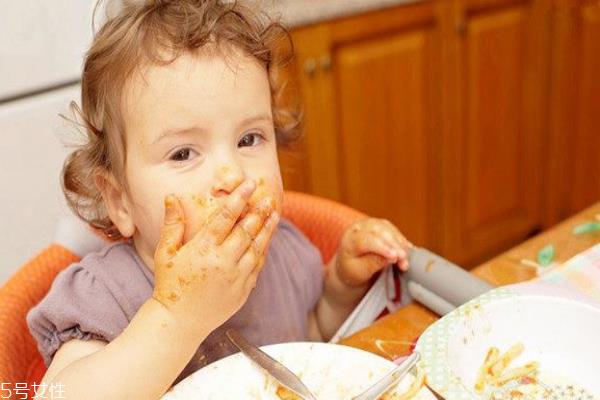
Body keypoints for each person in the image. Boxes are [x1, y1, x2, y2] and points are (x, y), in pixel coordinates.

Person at [26, 1, 413, 398]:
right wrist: (176, 316)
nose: (231, 175)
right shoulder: (104, 294)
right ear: (120, 201)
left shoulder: (284, 253)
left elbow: (308, 338)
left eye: (249, 139)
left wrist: (341, 288)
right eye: (183, 153)